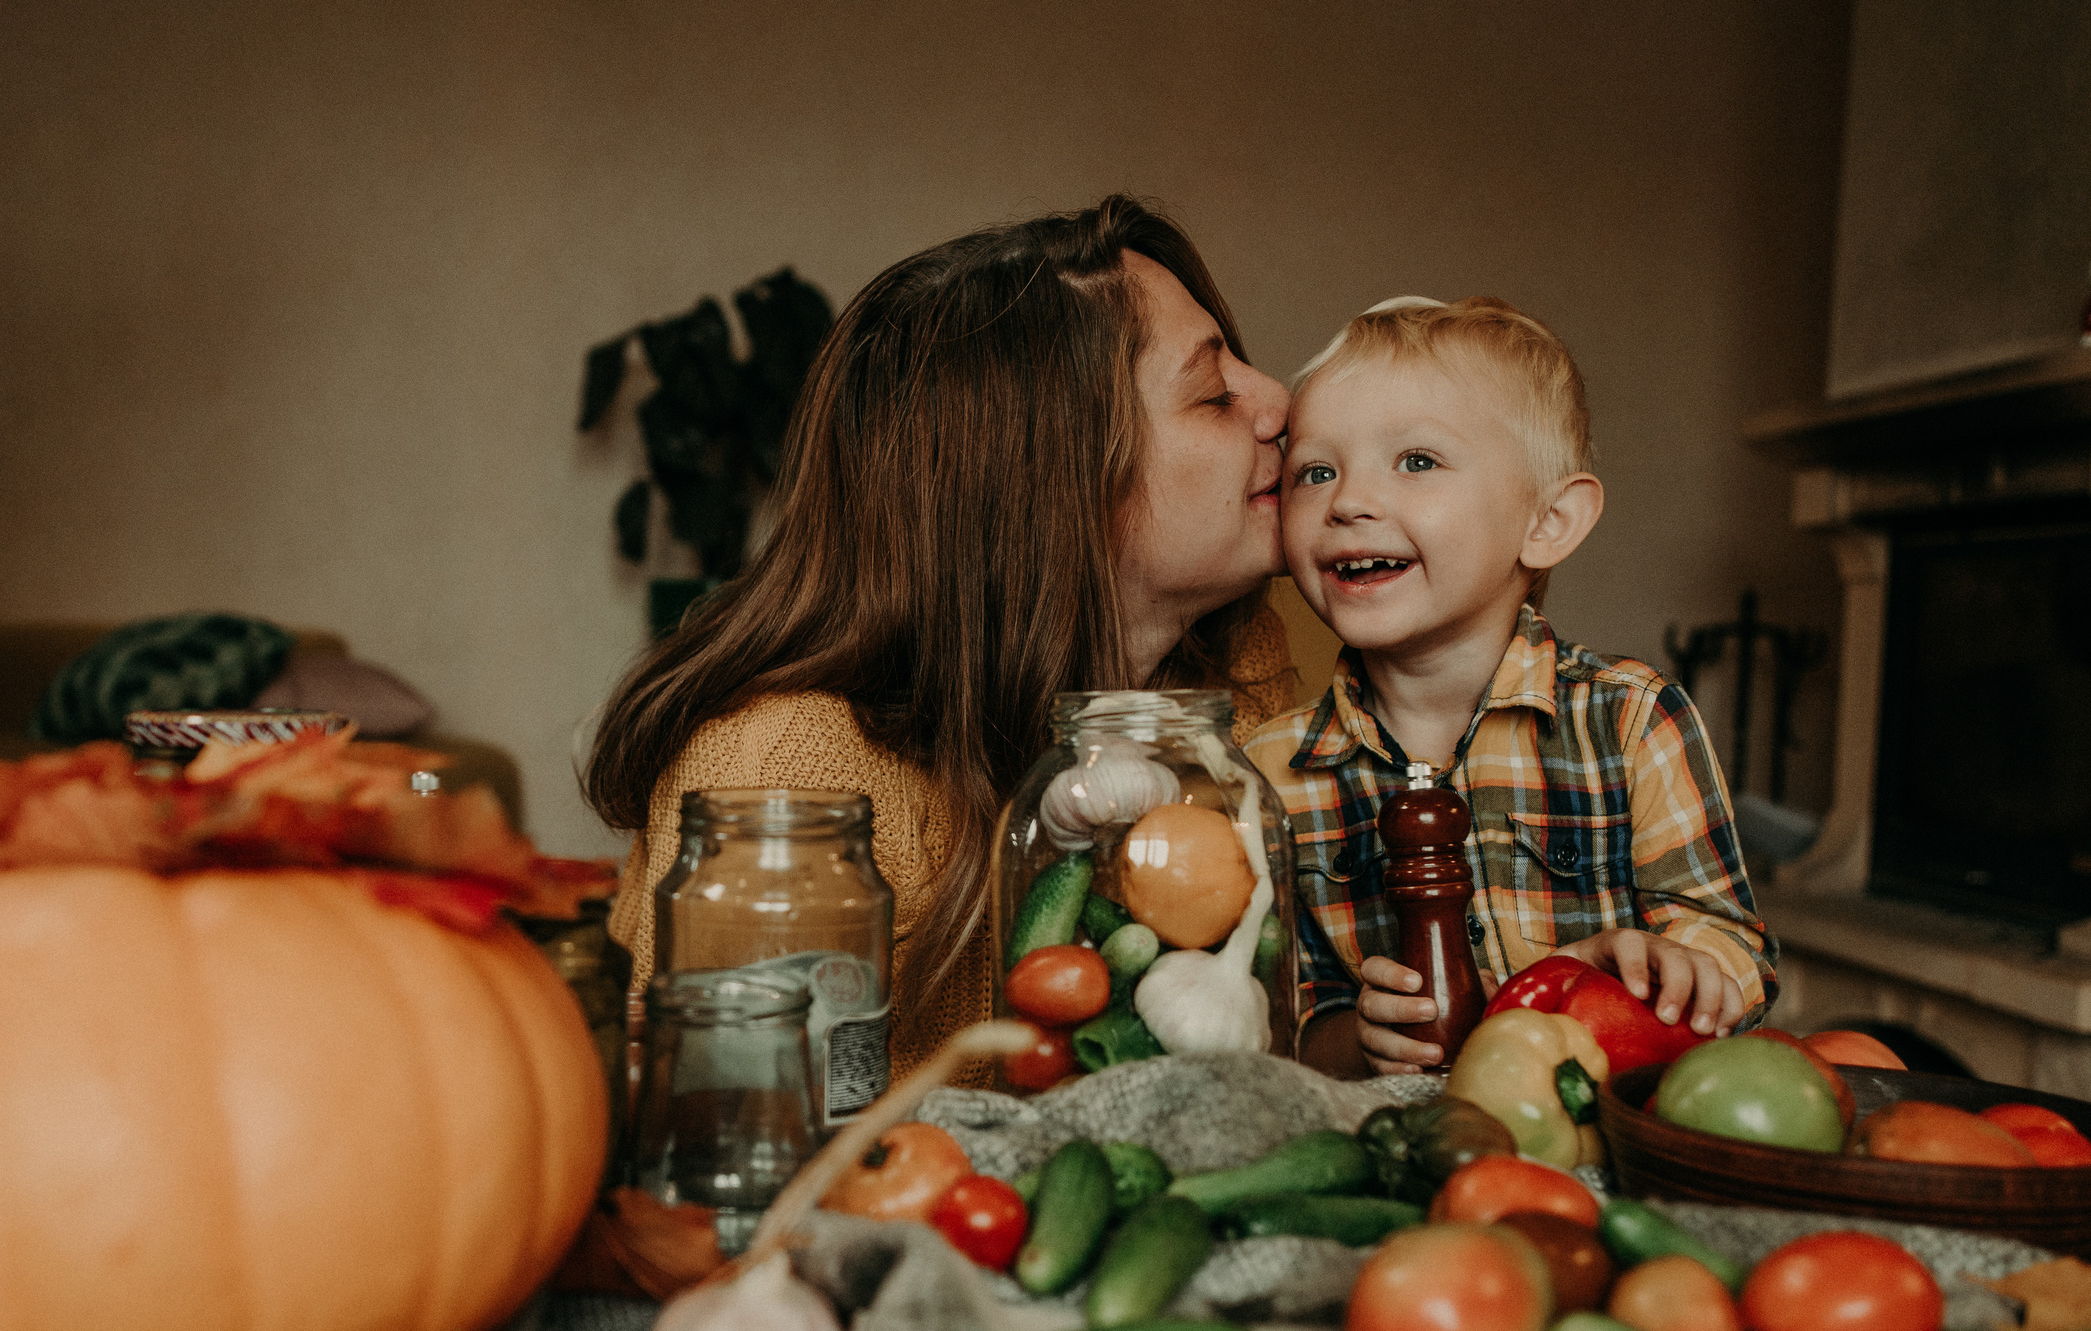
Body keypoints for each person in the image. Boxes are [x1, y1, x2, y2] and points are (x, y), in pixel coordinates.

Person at [584, 195, 1297, 1084]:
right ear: (1051, 485)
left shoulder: (1235, 673)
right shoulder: (789, 772)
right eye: (1214, 394)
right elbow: (731, 1135)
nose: (1279, 401)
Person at [1245, 295, 1774, 1078]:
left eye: (1417, 461)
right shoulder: (1266, 772)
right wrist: (1354, 1038)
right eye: (1315, 472)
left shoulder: (1630, 718)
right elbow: (1270, 1025)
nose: (1347, 502)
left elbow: (1732, 952)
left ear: (1549, 521)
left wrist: (1653, 974)